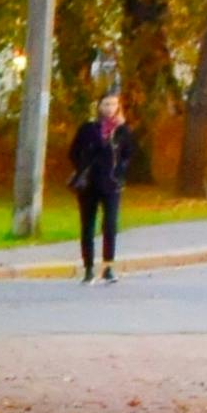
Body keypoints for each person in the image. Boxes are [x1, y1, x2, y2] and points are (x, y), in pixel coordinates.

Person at [66, 93, 134, 281]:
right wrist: (82, 168)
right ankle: (88, 267)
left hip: (111, 184)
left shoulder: (122, 131)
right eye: (106, 104)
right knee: (88, 225)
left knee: (110, 224)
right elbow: (73, 152)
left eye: (113, 104)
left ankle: (108, 266)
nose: (110, 108)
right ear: (99, 106)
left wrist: (119, 171)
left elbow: (128, 155)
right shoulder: (88, 129)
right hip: (88, 184)